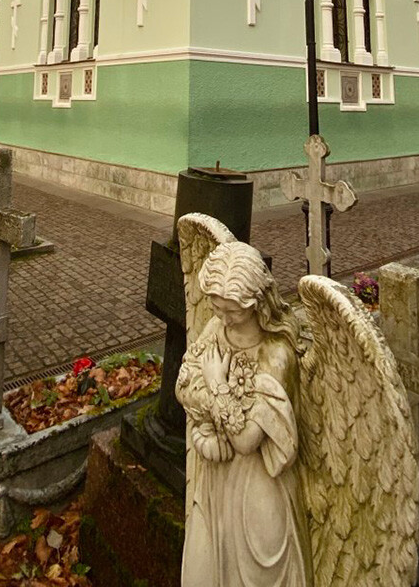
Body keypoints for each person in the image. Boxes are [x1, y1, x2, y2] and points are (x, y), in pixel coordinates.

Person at [175, 240, 310, 587]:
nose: (224, 318)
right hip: (216, 478)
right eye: (217, 309)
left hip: (258, 489)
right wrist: (219, 405)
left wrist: (216, 384)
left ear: (257, 304)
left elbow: (247, 440)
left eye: (233, 311)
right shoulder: (215, 330)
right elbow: (182, 386)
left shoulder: (275, 355)